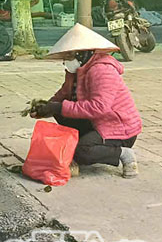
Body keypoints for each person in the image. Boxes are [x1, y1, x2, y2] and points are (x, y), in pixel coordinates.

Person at [30, 24, 141, 178]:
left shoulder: (102, 70)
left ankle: (124, 153)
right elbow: (63, 94)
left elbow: (99, 107)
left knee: (82, 151)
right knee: (61, 112)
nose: (65, 62)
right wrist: (46, 107)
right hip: (96, 122)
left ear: (81, 54)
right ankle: (86, 143)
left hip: (118, 129)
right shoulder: (76, 71)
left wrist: (58, 107)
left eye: (69, 57)